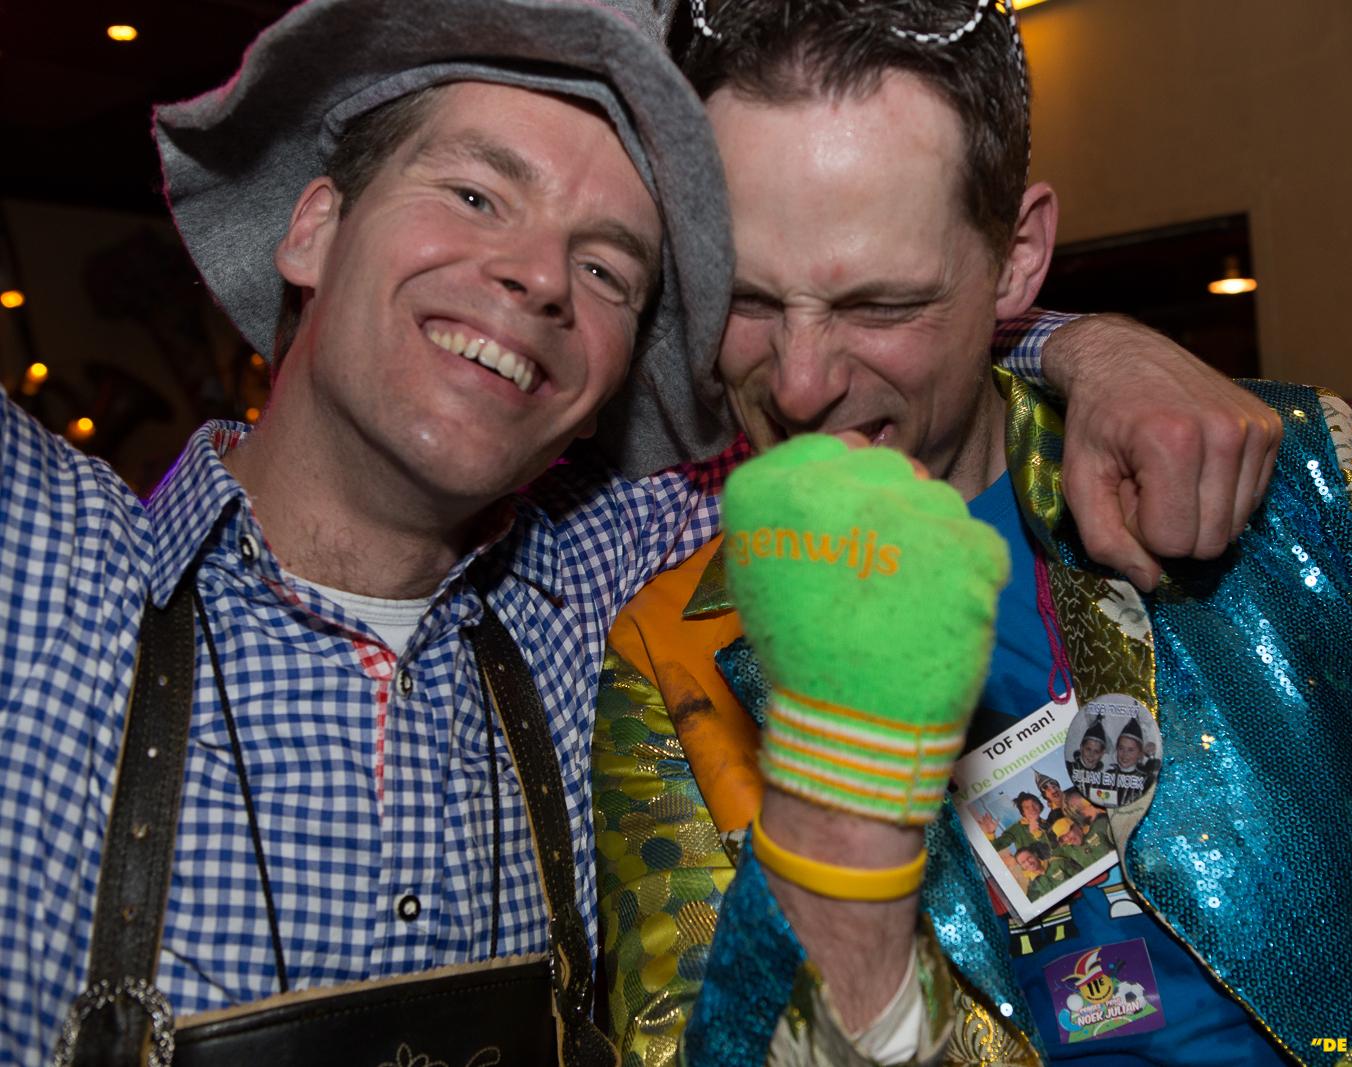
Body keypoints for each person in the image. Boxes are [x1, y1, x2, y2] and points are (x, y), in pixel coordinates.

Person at [0, 0, 1283, 1060]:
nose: (537, 276)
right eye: (475, 194)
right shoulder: (41, 560)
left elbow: (880, 391)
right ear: (316, 223)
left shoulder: (620, 572)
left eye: (607, 266)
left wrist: (1086, 349)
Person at [591, 0, 1352, 1063]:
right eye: (747, 298)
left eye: (880, 305)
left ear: (1018, 257)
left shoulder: (1292, 474)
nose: (798, 383)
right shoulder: (674, 655)